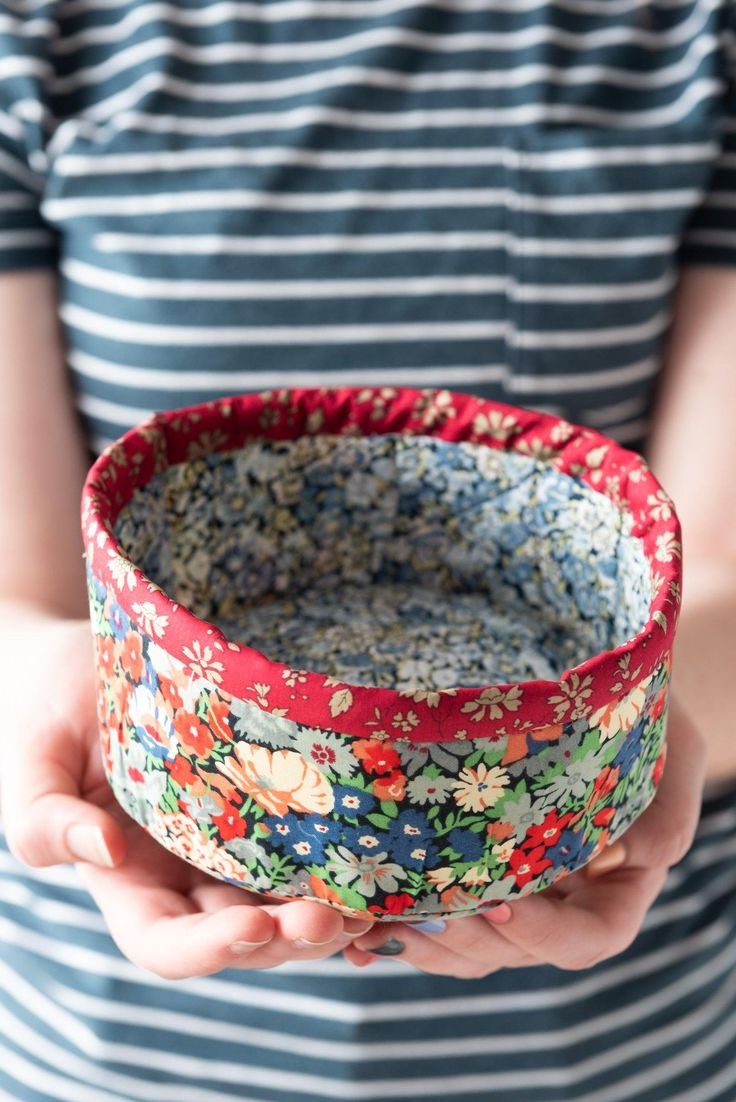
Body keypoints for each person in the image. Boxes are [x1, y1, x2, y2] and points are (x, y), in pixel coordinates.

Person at [0, 0, 735, 1098]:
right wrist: (61, 690)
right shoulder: (33, 40)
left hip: (607, 1045)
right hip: (122, 1048)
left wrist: (629, 727)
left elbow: (716, 576)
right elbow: (14, 591)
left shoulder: (692, 39)